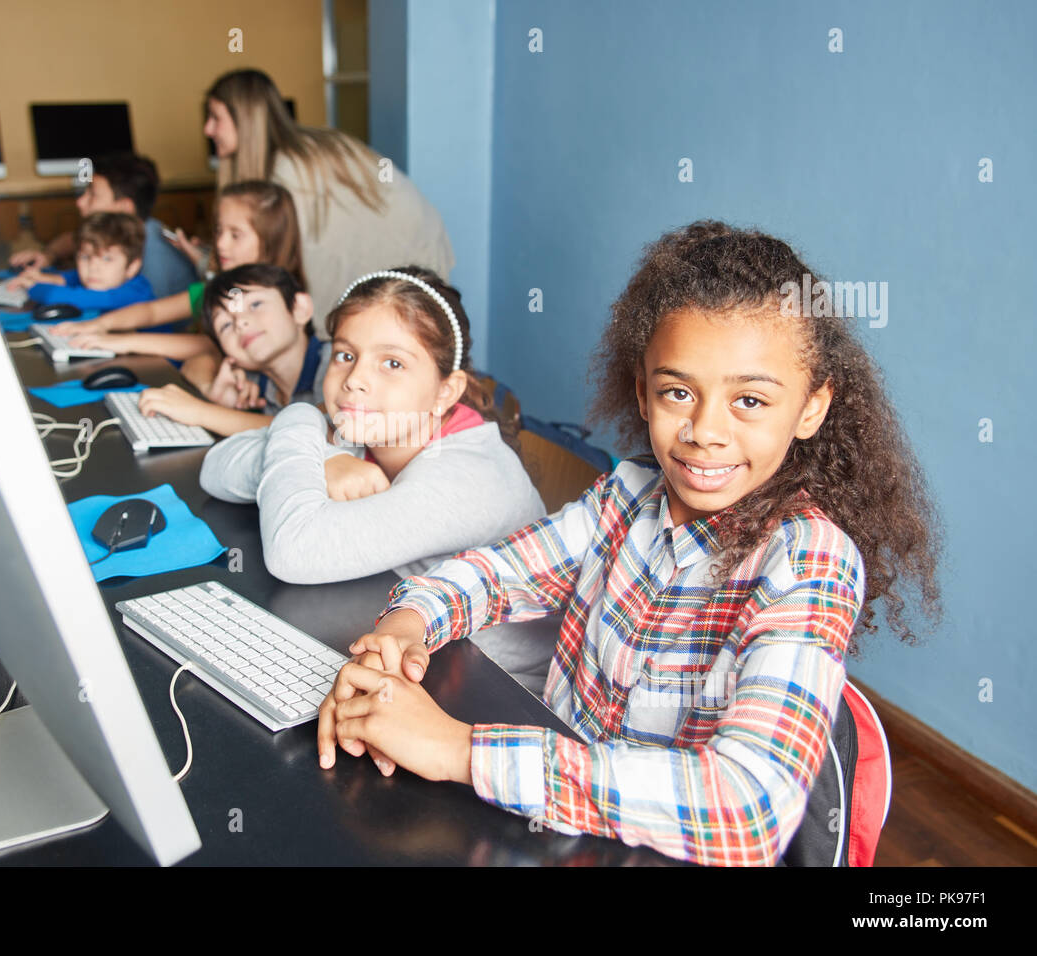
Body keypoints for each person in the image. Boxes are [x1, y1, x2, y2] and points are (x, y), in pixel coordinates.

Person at [316, 222, 943, 867]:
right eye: (678, 392)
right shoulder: (628, 496)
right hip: (553, 827)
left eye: (749, 400)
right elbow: (499, 572)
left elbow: (746, 809)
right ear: (643, 392)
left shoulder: (811, 561)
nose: (704, 431)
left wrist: (457, 750)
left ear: (811, 409)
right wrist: (409, 620)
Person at [199, 266, 544, 586]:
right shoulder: (372, 429)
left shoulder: (467, 481)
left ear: (446, 391)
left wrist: (298, 422)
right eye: (346, 355)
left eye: (392, 363)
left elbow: (293, 551)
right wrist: (325, 457)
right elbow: (216, 469)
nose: (355, 379)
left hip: (474, 652)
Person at [204, 69, 454, 337]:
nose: (208, 129)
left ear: (246, 119)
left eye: (216, 118)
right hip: (420, 245)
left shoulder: (289, 173)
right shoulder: (306, 148)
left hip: (414, 254)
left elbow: (299, 262)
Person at [54, 181, 307, 375]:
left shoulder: (278, 302)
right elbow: (153, 312)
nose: (220, 244)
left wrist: (123, 340)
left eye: (235, 235)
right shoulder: (219, 288)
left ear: (271, 241)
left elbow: (209, 346)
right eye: (218, 231)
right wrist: (98, 326)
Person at [135, 263, 325, 437]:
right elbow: (195, 362)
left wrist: (201, 412)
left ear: (300, 308)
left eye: (255, 305)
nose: (239, 322)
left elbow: (315, 432)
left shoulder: (340, 363)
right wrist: (210, 388)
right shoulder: (257, 379)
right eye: (225, 325)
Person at [10, 153, 196, 299]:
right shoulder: (135, 230)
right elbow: (72, 239)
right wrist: (48, 255)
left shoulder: (155, 257)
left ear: (124, 208)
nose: (80, 202)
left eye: (93, 195)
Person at [6, 212, 153, 312]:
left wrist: (33, 286)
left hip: (153, 359)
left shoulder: (134, 293)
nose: (93, 268)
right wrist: (48, 278)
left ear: (132, 267)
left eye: (107, 259)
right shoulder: (109, 280)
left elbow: (55, 296)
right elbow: (75, 277)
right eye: (85, 257)